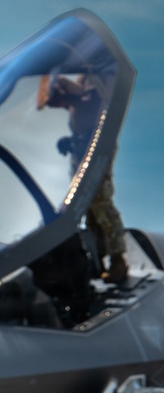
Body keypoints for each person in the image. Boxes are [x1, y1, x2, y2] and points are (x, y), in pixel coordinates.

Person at [39, 73, 128, 283]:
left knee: (100, 201)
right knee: (87, 206)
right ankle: (99, 259)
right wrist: (71, 141)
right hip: (83, 154)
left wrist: (67, 89)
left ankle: (118, 259)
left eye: (58, 100)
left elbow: (94, 106)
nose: (60, 106)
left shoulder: (93, 86)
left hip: (96, 153)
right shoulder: (81, 92)